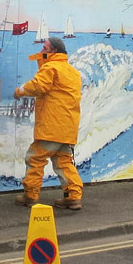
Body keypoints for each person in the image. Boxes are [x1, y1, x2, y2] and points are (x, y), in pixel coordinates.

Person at [13, 37, 84, 210]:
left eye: (44, 49)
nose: (41, 51)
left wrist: (19, 91)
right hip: (68, 128)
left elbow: (38, 86)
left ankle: (30, 195)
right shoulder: (72, 72)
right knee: (64, 161)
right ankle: (73, 196)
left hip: (52, 126)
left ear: (53, 52)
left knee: (35, 157)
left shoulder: (51, 67)